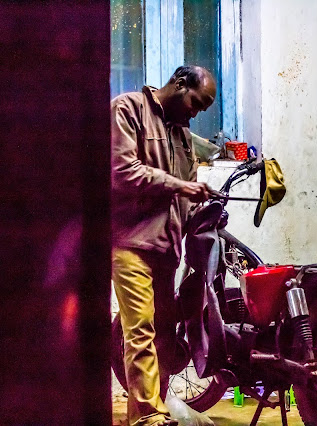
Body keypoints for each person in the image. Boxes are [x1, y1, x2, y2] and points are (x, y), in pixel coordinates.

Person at [111, 65, 216, 426]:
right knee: (140, 330)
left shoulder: (184, 137)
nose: (196, 112)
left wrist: (205, 211)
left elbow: (184, 196)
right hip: (131, 244)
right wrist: (179, 186)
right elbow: (123, 171)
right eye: (196, 103)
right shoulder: (128, 109)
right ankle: (150, 418)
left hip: (167, 251)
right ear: (179, 83)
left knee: (163, 341)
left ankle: (149, 414)